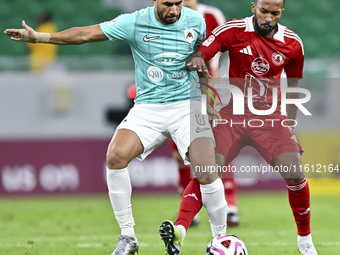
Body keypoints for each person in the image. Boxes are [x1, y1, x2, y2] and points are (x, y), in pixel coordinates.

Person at [4, 1, 228, 255]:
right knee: (115, 156)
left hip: (186, 105)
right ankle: (128, 236)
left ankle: (221, 240)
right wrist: (40, 37)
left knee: (207, 170)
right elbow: (84, 34)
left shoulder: (196, 21)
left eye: (178, 3)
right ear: (154, 1)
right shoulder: (133, 22)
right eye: (167, 4)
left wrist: (206, 98)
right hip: (149, 107)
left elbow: (203, 61)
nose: (174, 10)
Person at [169, 0, 319, 254]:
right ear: (253, 7)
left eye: (274, 13)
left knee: (294, 172)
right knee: (207, 169)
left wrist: (290, 125)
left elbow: (294, 87)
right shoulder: (233, 30)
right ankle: (179, 230)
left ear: (282, 12)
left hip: (270, 119)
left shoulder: (293, 43)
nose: (268, 17)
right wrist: (198, 61)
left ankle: (305, 242)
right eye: (264, 11)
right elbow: (204, 52)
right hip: (231, 115)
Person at [173, 0, 239, 228]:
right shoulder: (168, 16)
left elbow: (221, 52)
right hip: (177, 91)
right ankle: (190, 204)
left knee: (219, 144)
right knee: (181, 150)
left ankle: (229, 204)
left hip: (209, 87)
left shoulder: (211, 15)